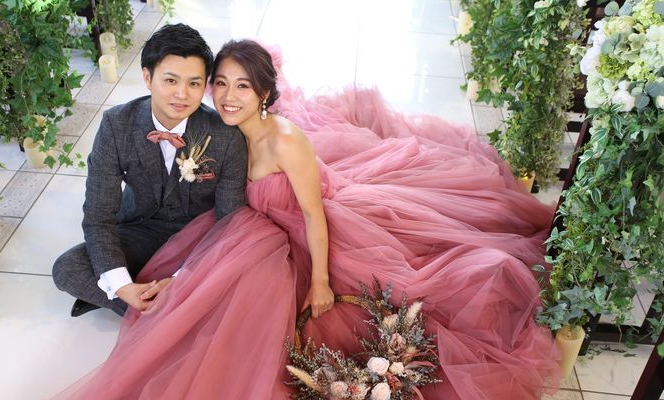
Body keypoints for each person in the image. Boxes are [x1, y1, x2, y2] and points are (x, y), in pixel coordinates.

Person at [54, 40, 561, 399]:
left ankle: (181, 323)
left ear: (263, 94)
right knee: (93, 270)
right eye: (221, 84)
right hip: (227, 228)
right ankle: (150, 308)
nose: (228, 96)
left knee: (346, 304)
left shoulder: (282, 140)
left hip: (296, 229)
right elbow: (115, 210)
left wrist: (319, 280)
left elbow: (310, 214)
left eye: (242, 87)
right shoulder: (203, 127)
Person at [51, 24, 247, 317]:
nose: (182, 94)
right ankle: (156, 308)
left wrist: (181, 278)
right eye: (170, 80)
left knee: (237, 279)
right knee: (67, 268)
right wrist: (121, 286)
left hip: (198, 238)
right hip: (140, 229)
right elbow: (98, 216)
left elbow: (228, 223)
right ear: (147, 77)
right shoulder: (116, 125)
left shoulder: (226, 136)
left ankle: (154, 309)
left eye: (194, 84)